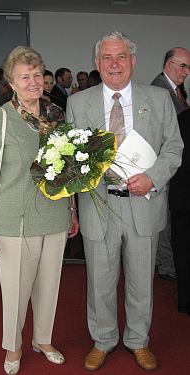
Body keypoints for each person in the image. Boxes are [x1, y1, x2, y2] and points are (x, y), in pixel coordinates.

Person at [66, 31, 183, 371]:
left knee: (140, 281)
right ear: (96, 63)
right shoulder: (79, 102)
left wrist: (153, 177)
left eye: (120, 57)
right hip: (98, 205)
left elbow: (174, 148)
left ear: (133, 61)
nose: (114, 64)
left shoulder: (159, 99)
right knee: (99, 282)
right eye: (106, 58)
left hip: (144, 203)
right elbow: (71, 158)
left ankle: (137, 340)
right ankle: (103, 340)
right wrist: (75, 195)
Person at [0, 46, 79, 375]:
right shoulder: (1, 118)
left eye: (38, 75)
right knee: (16, 292)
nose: (34, 82)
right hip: (14, 220)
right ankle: (14, 346)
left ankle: (42, 339)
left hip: (54, 215)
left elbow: (67, 169)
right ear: (11, 81)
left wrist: (72, 211)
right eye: (26, 76)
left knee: (50, 285)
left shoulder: (56, 115)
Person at [151, 47, 190, 280]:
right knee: (165, 218)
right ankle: (166, 266)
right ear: (169, 65)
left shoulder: (174, 90)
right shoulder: (159, 89)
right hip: (165, 164)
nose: (187, 72)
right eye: (183, 66)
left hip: (176, 165)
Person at [169, 107, 190, 316]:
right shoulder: (182, 118)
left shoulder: (182, 119)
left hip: (182, 198)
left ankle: (185, 300)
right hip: (182, 198)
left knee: (183, 253)